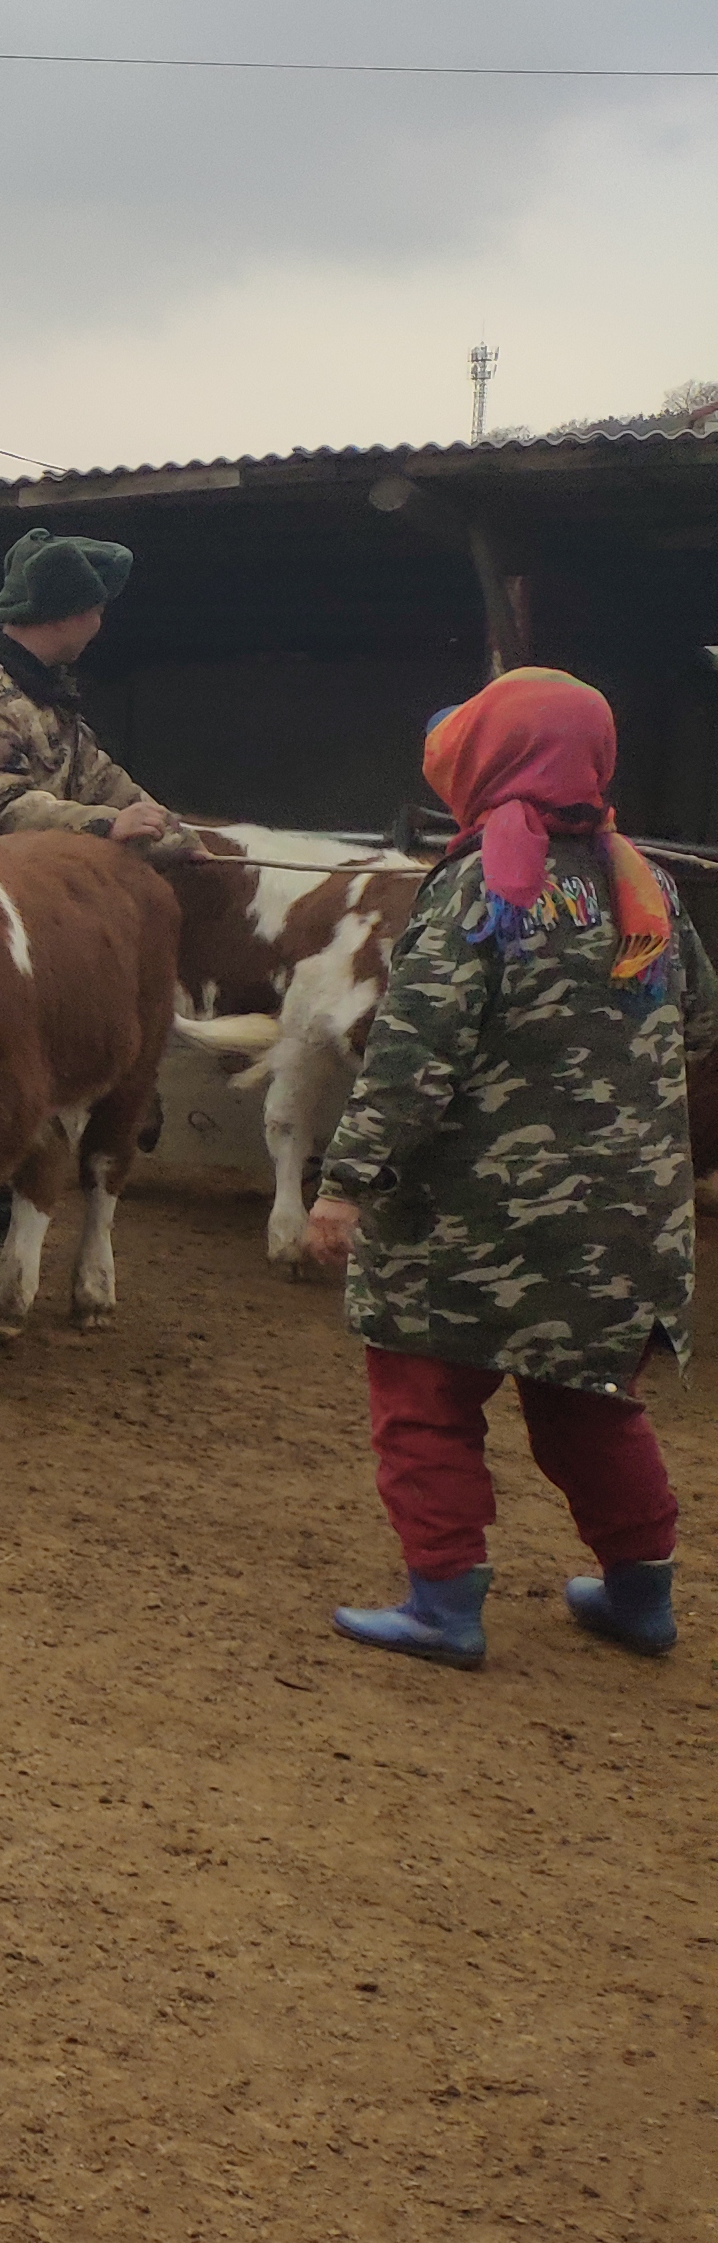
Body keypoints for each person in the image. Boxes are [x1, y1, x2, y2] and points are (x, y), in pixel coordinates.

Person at [307, 669, 708, 1668]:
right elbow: (700, 1019)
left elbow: (411, 1057)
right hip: (627, 1220)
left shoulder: (485, 881)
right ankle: (639, 1598)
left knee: (423, 1398)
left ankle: (444, 1605)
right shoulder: (641, 881)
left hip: (471, 1219)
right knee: (591, 1402)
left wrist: (346, 1182)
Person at [0, 528, 189, 851]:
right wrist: (105, 825)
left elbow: (101, 782)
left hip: (24, 888)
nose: (98, 627)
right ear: (65, 617)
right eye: (96, 613)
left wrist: (179, 840)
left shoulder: (44, 695)